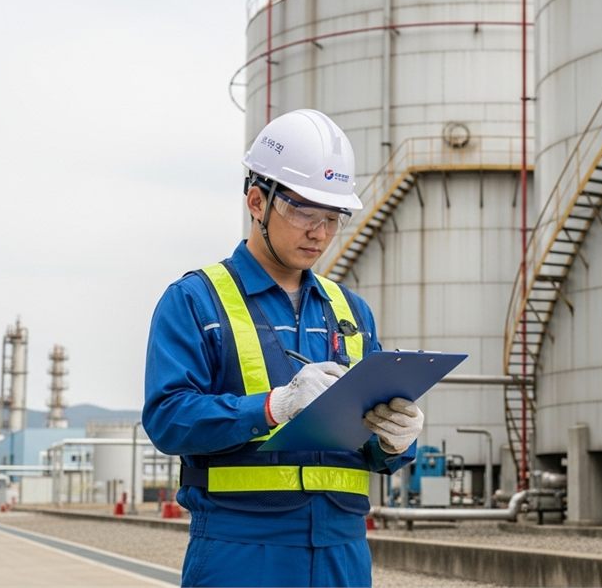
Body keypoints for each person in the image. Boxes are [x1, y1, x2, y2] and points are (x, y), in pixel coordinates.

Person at [143, 109, 425, 587]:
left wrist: (397, 441)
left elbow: (369, 444)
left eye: (332, 217)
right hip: (241, 549)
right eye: (303, 212)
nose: (319, 232)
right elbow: (169, 419)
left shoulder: (350, 311)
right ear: (257, 201)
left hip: (343, 549)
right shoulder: (195, 300)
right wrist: (275, 405)